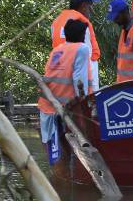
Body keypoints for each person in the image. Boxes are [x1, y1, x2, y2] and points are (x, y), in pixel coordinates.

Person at [37, 19, 92, 151]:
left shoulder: (57, 50)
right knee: (76, 145)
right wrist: (83, 104)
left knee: (53, 150)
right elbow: (79, 79)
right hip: (65, 109)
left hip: (46, 106)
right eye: (84, 34)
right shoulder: (82, 48)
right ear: (81, 35)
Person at [51, 0, 101, 92]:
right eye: (90, 6)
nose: (91, 10)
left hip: (61, 85)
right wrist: (94, 94)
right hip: (81, 89)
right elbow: (87, 60)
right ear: (83, 5)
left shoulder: (56, 22)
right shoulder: (82, 25)